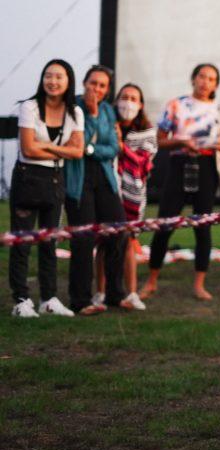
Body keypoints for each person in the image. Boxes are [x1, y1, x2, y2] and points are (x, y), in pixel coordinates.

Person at [142, 63, 220, 301]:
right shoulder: (176, 105)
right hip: (180, 165)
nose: (205, 82)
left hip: (207, 167)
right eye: (202, 76)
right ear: (193, 79)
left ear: (216, 84)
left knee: (203, 226)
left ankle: (199, 284)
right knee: (165, 224)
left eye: (211, 79)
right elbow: (160, 140)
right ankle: (151, 281)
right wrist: (182, 142)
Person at [8, 59, 83, 318]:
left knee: (49, 242)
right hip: (28, 178)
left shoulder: (75, 112)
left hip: (55, 180)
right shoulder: (30, 107)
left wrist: (48, 148)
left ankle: (49, 298)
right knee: (22, 241)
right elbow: (28, 149)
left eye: (58, 77)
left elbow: (78, 151)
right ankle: (21, 300)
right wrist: (60, 150)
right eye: (48, 76)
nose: (52, 81)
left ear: (68, 81)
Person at [63, 65, 128, 314]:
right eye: (93, 83)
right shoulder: (74, 107)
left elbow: (113, 147)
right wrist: (90, 114)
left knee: (118, 231)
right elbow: (77, 140)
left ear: (107, 89)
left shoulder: (109, 110)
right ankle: (80, 300)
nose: (97, 89)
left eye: (102, 85)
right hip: (79, 180)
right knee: (84, 237)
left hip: (105, 178)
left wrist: (91, 150)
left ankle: (115, 294)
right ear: (84, 83)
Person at [96, 83, 157, 311]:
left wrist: (120, 145)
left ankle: (131, 292)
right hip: (107, 188)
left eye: (134, 98)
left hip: (133, 193)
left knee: (129, 240)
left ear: (140, 105)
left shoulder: (148, 133)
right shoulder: (106, 127)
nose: (128, 102)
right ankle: (100, 292)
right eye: (124, 97)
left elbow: (143, 163)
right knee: (103, 240)